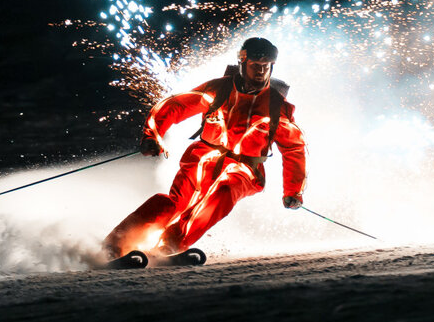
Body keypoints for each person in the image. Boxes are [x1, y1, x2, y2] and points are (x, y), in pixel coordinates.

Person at [103, 37, 307, 259]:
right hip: (204, 158)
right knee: (173, 203)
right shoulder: (218, 90)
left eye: (265, 67)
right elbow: (176, 106)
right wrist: (152, 136)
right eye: (255, 66)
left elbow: (294, 148)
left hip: (246, 169)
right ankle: (115, 245)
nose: (260, 72)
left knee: (224, 192)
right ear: (242, 63)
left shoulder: (276, 106)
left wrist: (293, 191)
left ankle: (170, 244)